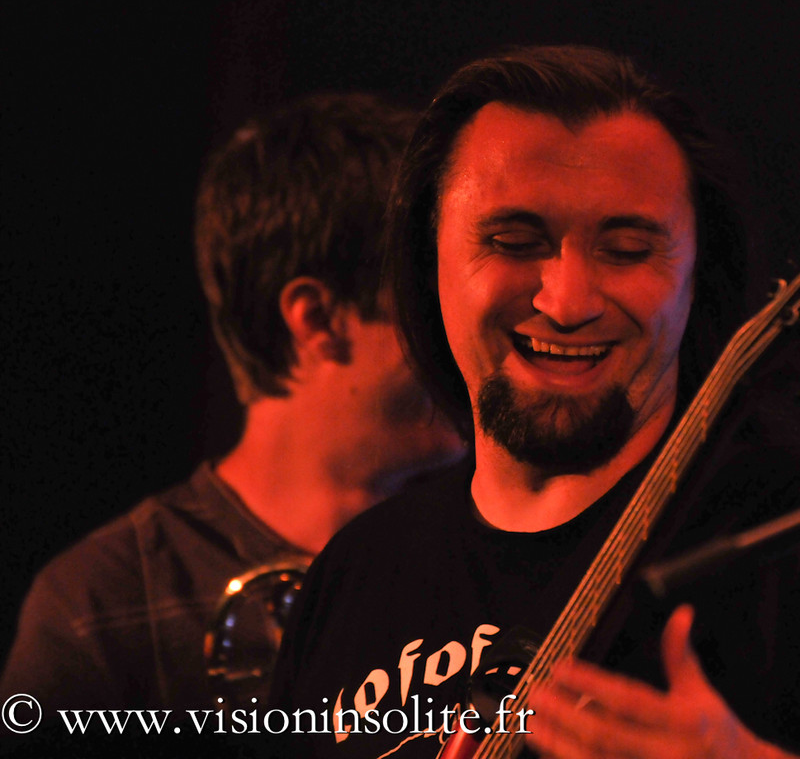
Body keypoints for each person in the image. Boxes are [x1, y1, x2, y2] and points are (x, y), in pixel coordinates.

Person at [272, 47, 800, 758]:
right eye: (515, 241)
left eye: (625, 250)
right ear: (429, 256)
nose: (568, 302)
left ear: (696, 274)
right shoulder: (358, 571)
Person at [1, 94, 463, 713]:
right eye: (433, 300)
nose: (466, 335)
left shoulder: (501, 545)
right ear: (319, 320)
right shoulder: (102, 605)